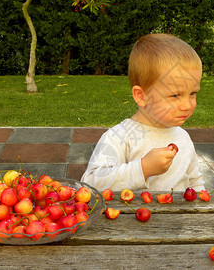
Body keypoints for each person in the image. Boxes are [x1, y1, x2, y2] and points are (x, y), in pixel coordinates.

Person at [81, 33, 205, 192]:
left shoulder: (183, 137)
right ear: (141, 96)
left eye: (193, 93)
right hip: (133, 215)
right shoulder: (120, 137)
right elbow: (91, 182)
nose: (187, 105)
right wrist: (143, 168)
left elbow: (195, 180)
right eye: (175, 95)